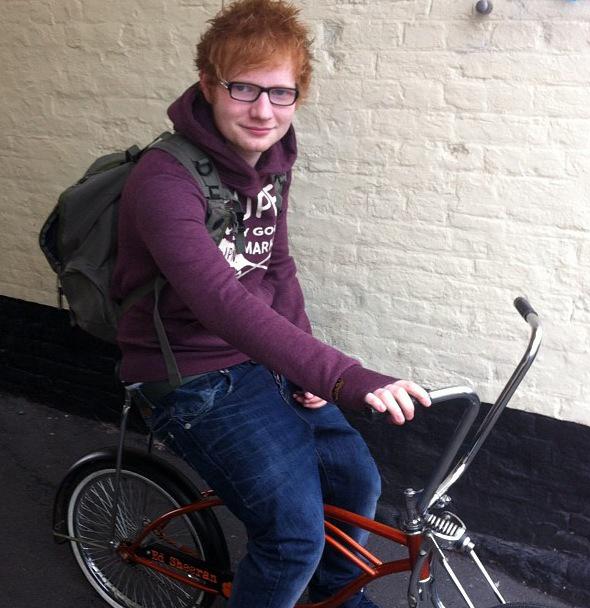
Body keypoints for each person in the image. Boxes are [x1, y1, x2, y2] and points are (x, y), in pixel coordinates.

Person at [112, 1, 431, 606]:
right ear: (208, 85)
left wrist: (303, 365)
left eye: (280, 93)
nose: (263, 111)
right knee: (292, 539)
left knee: (355, 482)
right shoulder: (163, 181)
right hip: (188, 373)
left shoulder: (271, 161)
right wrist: (340, 375)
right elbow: (221, 302)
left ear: (297, 95)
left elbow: (274, 265)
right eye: (244, 89)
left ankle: (335, 598)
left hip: (260, 356)